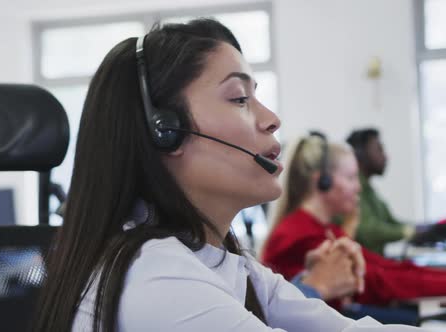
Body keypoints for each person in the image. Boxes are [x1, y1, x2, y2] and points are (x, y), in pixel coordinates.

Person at [34, 19, 425, 331]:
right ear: (165, 130)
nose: (272, 120)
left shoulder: (225, 263)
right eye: (240, 99)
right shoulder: (156, 279)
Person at [262, 134, 446, 325]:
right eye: (351, 178)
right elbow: (380, 282)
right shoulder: (299, 234)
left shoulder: (324, 228)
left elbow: (384, 268)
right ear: (323, 182)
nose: (358, 188)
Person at [345, 128, 415, 254]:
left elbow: (391, 223)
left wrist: (422, 229)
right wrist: (406, 232)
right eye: (379, 149)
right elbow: (369, 232)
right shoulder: (355, 189)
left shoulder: (370, 192)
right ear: (361, 154)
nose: (386, 156)